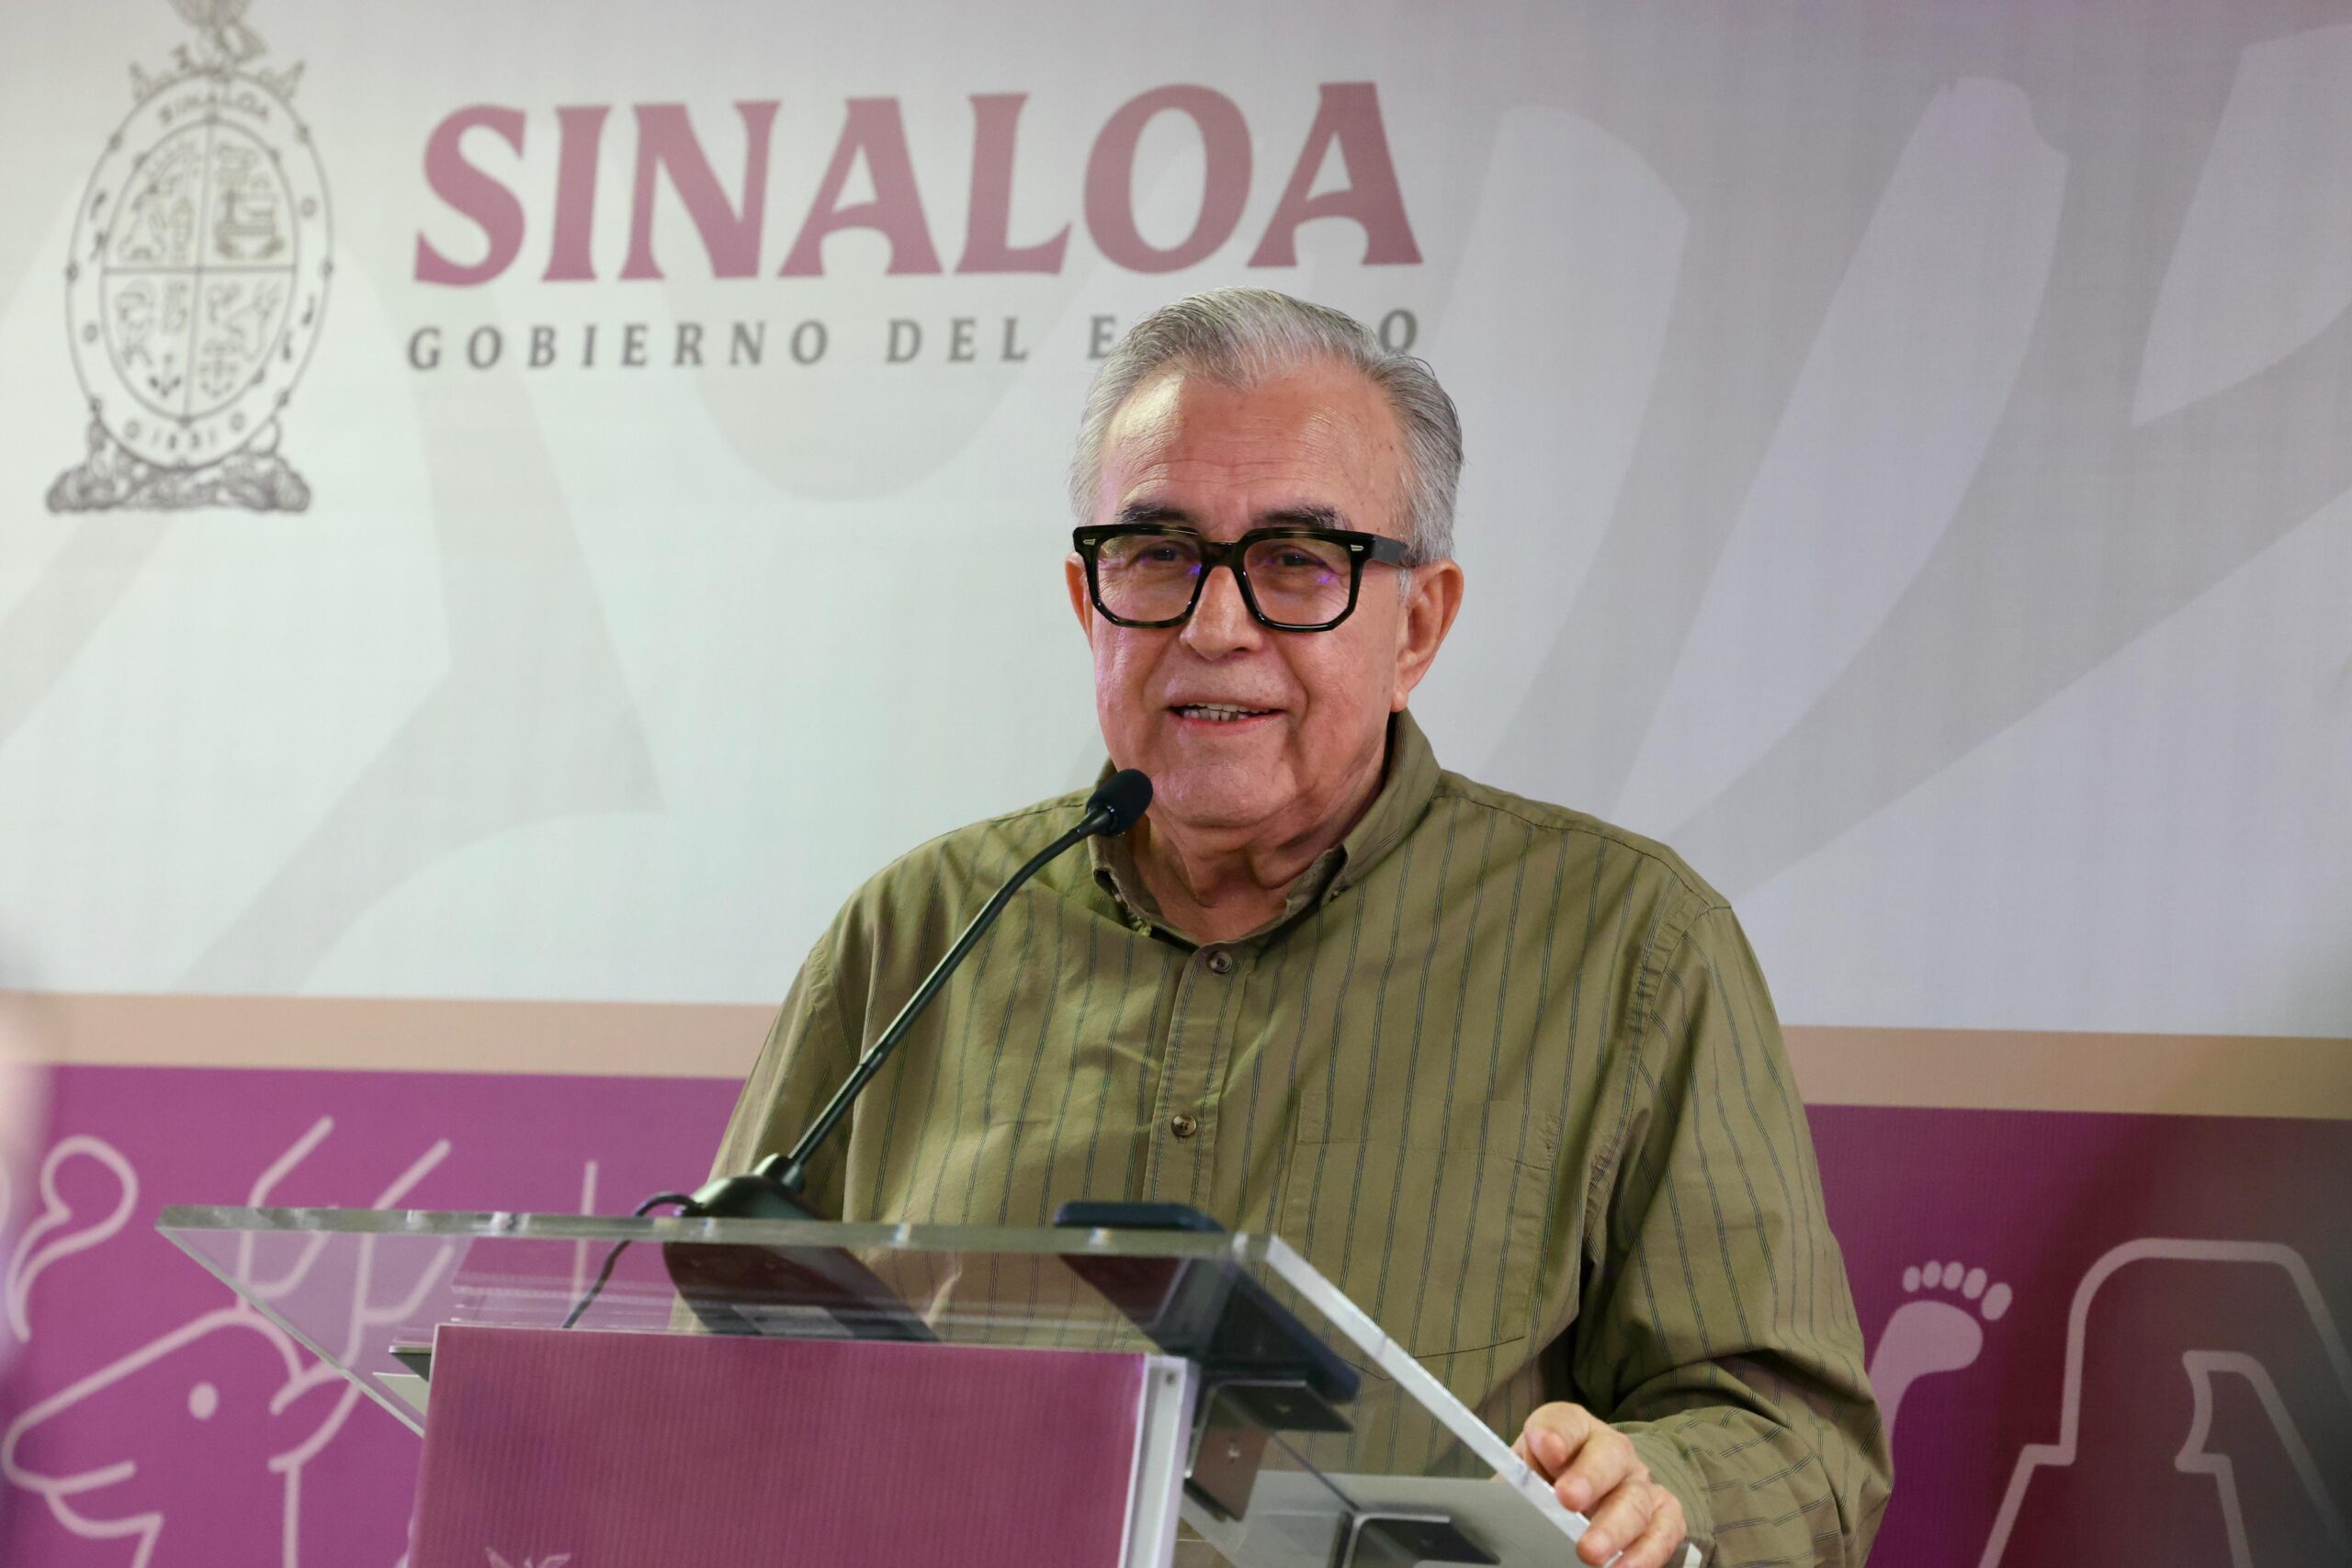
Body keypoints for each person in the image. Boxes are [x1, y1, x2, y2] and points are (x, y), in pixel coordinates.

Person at [708, 288, 1890, 1567]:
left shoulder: (1630, 949)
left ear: (1418, 625)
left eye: (1297, 562)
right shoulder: (913, 934)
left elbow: (1799, 1444)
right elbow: (707, 1383)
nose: (1216, 628)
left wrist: (1663, 1488)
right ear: (1088, 601)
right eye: (1157, 554)